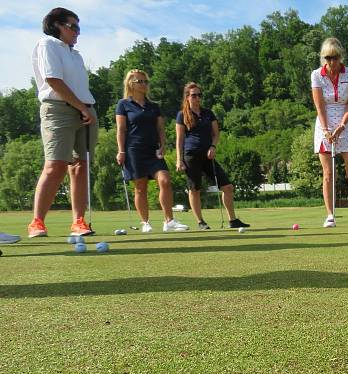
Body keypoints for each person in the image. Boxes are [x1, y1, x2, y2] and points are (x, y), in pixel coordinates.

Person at [28, 7, 98, 238]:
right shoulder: (47, 44)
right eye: (74, 26)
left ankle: (78, 221)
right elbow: (53, 79)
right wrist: (80, 106)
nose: (78, 32)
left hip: (85, 110)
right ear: (57, 25)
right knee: (55, 165)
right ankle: (37, 222)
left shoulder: (74, 54)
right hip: (59, 109)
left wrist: (85, 108)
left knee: (80, 166)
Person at [115, 69, 188, 233]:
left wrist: (162, 145)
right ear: (130, 84)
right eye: (140, 82)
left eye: (146, 82)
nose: (144, 85)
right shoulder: (123, 104)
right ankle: (145, 222)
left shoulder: (154, 106)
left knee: (165, 181)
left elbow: (160, 129)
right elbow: (121, 129)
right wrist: (121, 151)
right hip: (133, 150)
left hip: (153, 150)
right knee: (140, 187)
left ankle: (169, 221)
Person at [311, 37, 348, 228]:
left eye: (335, 57)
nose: (331, 62)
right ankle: (330, 215)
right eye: (328, 58)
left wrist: (342, 126)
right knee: (328, 174)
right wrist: (327, 129)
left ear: (340, 57)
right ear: (323, 58)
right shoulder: (316, 75)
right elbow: (319, 105)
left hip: (346, 123)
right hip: (324, 125)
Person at [175, 83, 249, 230]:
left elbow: (216, 134)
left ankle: (232, 220)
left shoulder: (208, 113)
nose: (197, 98)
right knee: (195, 189)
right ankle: (200, 222)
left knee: (227, 186)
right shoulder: (182, 115)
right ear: (187, 97)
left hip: (208, 155)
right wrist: (179, 159)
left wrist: (213, 146)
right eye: (194, 95)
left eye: (199, 95)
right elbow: (180, 139)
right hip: (191, 155)